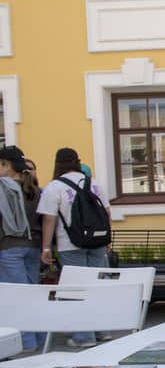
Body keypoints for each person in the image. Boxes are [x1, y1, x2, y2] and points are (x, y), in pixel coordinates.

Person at [37, 147, 112, 348]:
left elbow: (48, 219)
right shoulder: (93, 183)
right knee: (96, 287)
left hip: (70, 243)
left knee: (76, 289)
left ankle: (83, 336)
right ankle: (102, 331)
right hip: (97, 242)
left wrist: (45, 248)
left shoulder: (55, 187)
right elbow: (106, 212)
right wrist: (107, 239)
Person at [0, 146, 46, 350]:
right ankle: (41, 339)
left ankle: (25, 342)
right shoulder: (33, 189)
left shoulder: (4, 188)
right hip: (34, 246)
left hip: (9, 246)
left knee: (16, 298)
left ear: (5, 165)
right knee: (31, 295)